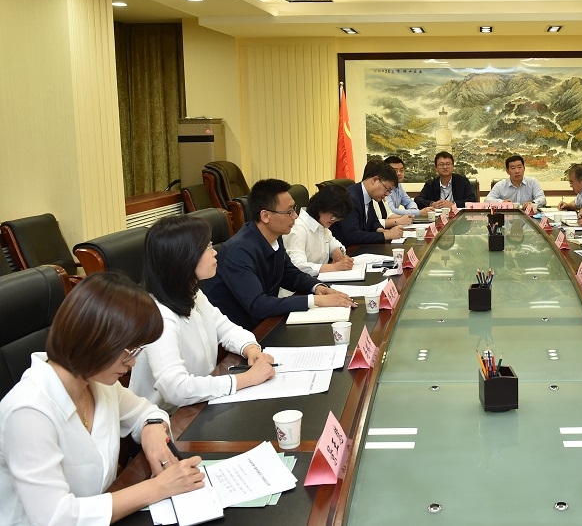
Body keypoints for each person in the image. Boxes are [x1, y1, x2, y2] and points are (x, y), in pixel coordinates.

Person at [0, 272, 205, 525]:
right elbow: (57, 518)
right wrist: (159, 487)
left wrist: (152, 429)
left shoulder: (95, 382)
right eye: (130, 351)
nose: (132, 363)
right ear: (96, 340)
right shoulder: (28, 412)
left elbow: (147, 412)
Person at [130, 215, 276, 412]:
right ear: (183, 257)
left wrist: (251, 349)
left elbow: (226, 328)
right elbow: (176, 389)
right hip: (167, 419)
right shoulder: (159, 316)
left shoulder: (192, 293)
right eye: (207, 247)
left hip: (200, 403)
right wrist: (247, 378)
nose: (214, 252)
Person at [203, 178, 355, 330]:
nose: (295, 216)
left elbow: (290, 275)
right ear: (265, 216)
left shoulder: (274, 238)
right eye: (289, 211)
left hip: (265, 323)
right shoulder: (237, 252)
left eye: (294, 209)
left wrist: (317, 287)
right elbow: (258, 305)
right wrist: (315, 301)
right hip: (240, 333)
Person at [284, 184, 355, 275]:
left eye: (339, 218)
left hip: (320, 279)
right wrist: (334, 267)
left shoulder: (321, 225)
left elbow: (334, 243)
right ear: (321, 207)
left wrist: (336, 250)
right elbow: (297, 266)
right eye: (333, 216)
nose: (334, 220)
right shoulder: (298, 228)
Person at [331, 161, 406, 245]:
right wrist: (385, 235)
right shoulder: (351, 198)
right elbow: (352, 235)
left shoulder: (367, 194)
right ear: (375, 180)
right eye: (387, 189)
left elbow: (373, 221)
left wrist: (380, 230)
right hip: (347, 249)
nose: (387, 194)